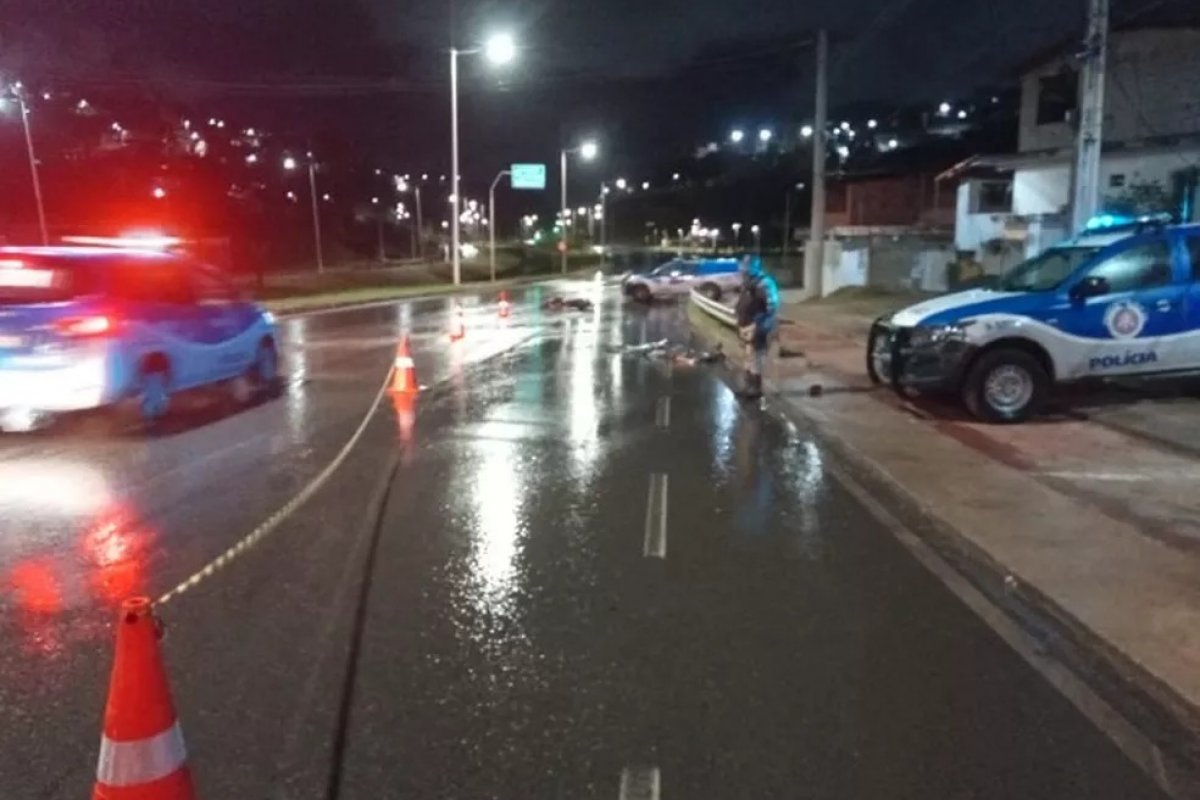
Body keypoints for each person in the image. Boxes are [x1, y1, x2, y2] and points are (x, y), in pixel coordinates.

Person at [734, 254, 779, 399]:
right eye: (743, 266)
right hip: (745, 324)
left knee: (755, 357)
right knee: (748, 357)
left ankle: (755, 389)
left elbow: (772, 305)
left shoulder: (764, 283)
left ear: (755, 266)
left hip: (756, 325)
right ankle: (748, 386)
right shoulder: (748, 282)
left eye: (747, 266)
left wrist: (761, 324)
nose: (743, 269)